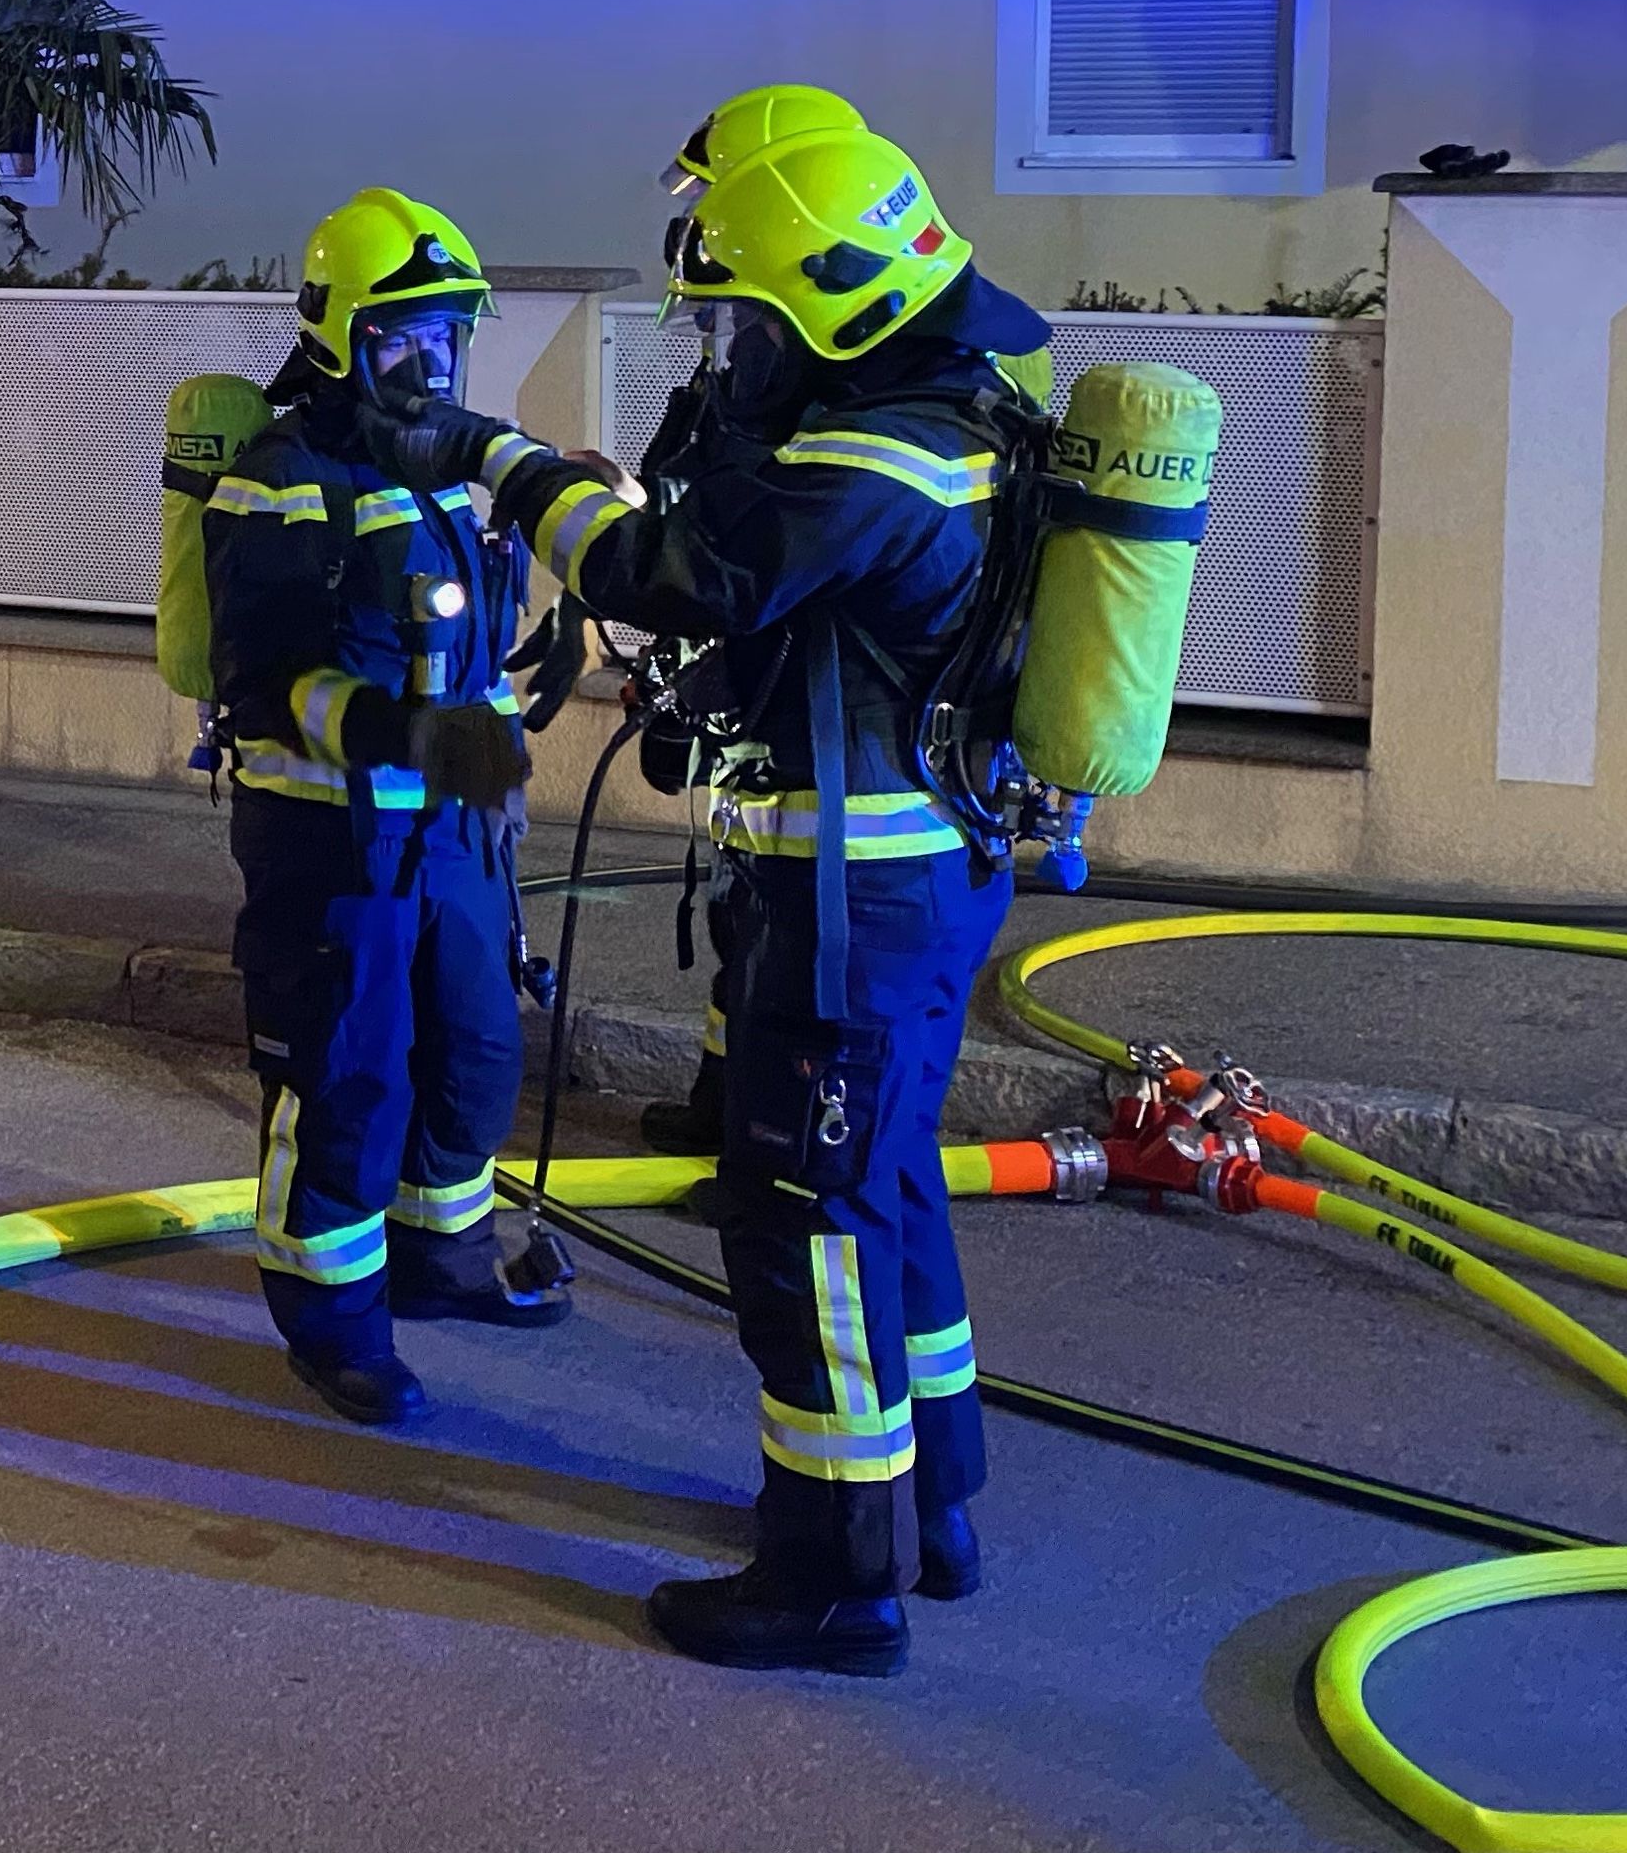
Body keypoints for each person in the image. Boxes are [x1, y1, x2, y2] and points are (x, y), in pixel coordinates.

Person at [390, 131, 1047, 1672]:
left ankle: (831, 1575)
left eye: (738, 323)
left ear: (832, 298)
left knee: (804, 1221)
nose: (724, 351)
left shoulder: (882, 456)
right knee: (885, 1194)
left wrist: (504, 463)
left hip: (851, 911)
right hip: (903, 888)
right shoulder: (938, 411)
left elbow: (674, 572)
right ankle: (928, 1507)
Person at [206, 189, 574, 1432]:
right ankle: (333, 1323)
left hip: (461, 834)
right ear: (338, 337)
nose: (429, 363)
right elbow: (260, 682)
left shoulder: (452, 467)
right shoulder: (277, 479)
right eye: (398, 336)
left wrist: (512, 740)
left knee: (474, 1055)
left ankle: (443, 1262)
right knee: (344, 1081)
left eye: (446, 335)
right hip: (334, 841)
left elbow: (474, 642)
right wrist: (388, 731)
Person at [633, 85, 873, 1159]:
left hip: (845, 762)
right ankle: (720, 1111)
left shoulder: (852, 399)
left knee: (785, 942)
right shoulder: (774, 360)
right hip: (770, 714)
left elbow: (751, 551)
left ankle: (761, 1144)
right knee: (745, 916)